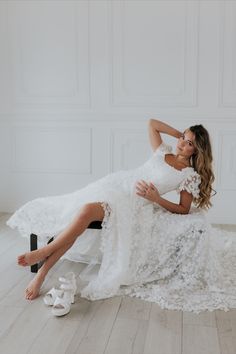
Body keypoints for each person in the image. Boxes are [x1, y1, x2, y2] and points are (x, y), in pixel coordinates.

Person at [6, 119, 236, 313]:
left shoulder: (189, 175)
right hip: (116, 185)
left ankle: (43, 266)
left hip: (133, 204)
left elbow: (184, 210)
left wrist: (156, 199)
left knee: (86, 212)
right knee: (76, 209)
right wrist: (182, 134)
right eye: (182, 140)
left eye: (189, 144)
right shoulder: (163, 151)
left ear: (197, 150)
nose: (181, 145)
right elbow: (152, 124)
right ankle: (43, 260)